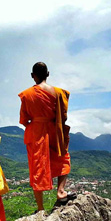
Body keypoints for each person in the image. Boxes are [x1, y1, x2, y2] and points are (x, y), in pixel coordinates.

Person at [18, 62, 75, 212]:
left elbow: (24, 119)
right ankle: (61, 192)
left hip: (36, 133)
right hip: (55, 130)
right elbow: (63, 116)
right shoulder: (59, 93)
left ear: (32, 76)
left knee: (37, 167)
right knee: (62, 158)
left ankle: (40, 208)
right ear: (48, 74)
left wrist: (37, 123)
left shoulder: (27, 95)